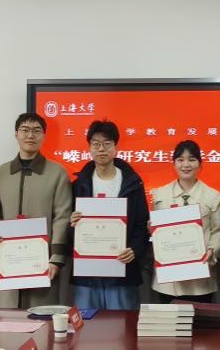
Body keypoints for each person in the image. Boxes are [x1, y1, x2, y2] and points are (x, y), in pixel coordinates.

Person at [0, 112, 72, 308]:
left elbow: (62, 217)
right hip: (9, 263)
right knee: (7, 319)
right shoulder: (0, 174)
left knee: (41, 318)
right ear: (16, 134)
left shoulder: (57, 173)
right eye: (25, 130)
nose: (30, 135)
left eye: (36, 131)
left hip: (44, 263)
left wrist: (56, 258)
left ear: (44, 135)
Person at [70, 119, 150, 309]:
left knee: (122, 324)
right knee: (87, 324)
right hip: (87, 272)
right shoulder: (78, 185)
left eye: (107, 144)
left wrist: (134, 249)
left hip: (122, 268)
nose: (101, 149)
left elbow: (141, 223)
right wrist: (71, 222)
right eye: (96, 144)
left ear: (116, 148)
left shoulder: (133, 183)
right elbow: (65, 224)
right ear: (89, 148)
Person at [150, 140, 220, 304]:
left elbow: (217, 230)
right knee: (170, 319)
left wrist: (212, 250)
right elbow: (156, 232)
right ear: (174, 164)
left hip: (200, 277)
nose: (186, 165)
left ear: (200, 164)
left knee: (200, 319)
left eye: (192, 159)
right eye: (180, 160)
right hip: (169, 279)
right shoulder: (159, 195)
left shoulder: (213, 196)